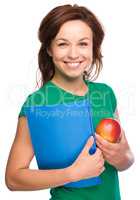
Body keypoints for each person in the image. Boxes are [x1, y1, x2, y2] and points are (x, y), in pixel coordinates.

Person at [5, 4, 134, 200]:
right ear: (49, 48)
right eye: (63, 44)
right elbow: (13, 178)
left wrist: (122, 156)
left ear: (93, 47)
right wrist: (73, 174)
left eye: (83, 43)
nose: (74, 54)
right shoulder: (37, 104)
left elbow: (125, 161)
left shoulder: (106, 94)